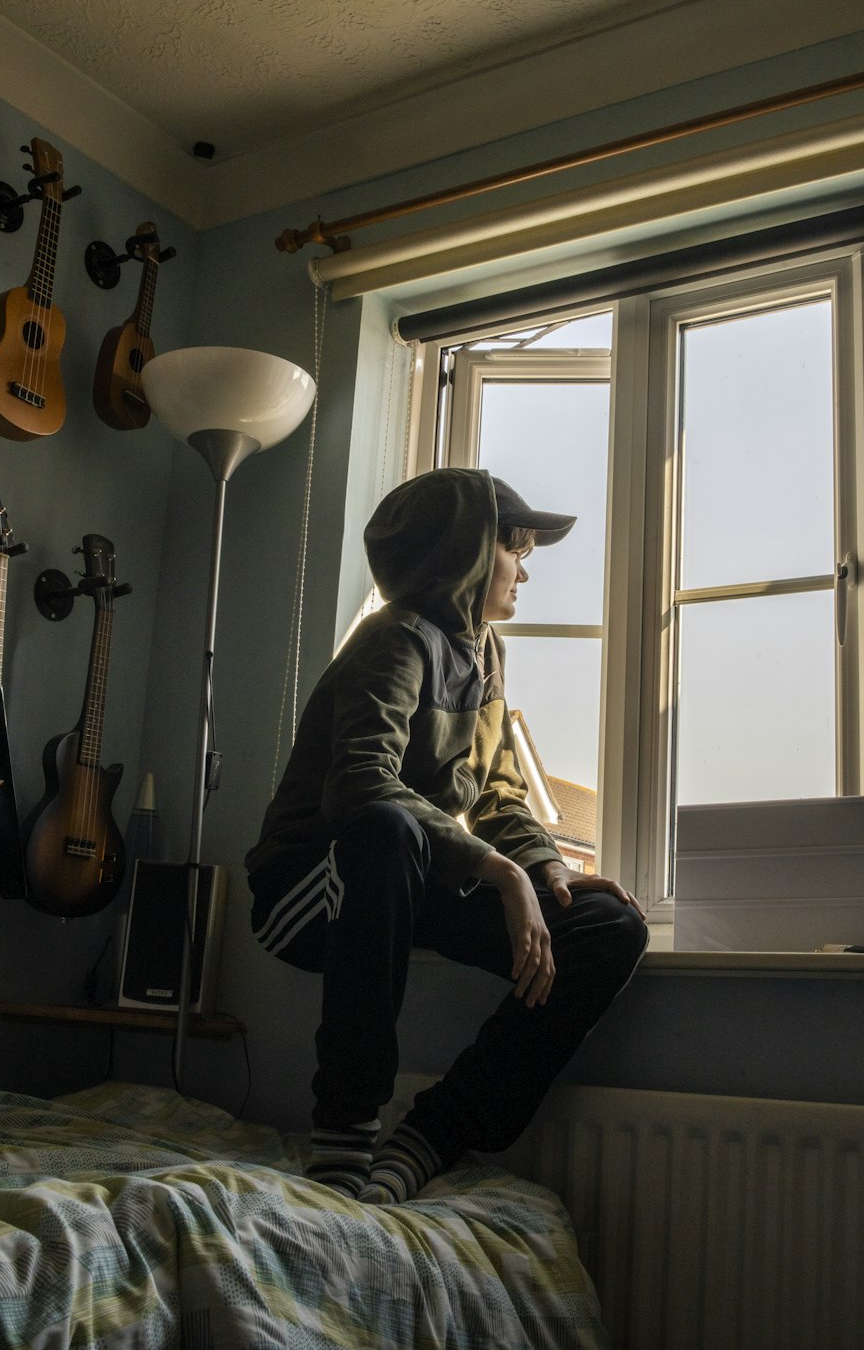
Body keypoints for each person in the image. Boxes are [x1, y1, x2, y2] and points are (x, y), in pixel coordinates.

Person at [245, 467, 648, 1204]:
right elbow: (360, 783)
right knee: (388, 828)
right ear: (465, 551)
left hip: (406, 872)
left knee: (610, 925)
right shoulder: (394, 639)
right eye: (514, 548)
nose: (525, 569)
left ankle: (430, 1137)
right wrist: (500, 872)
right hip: (308, 886)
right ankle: (343, 1135)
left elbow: (496, 788)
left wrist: (546, 868)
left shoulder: (486, 653)